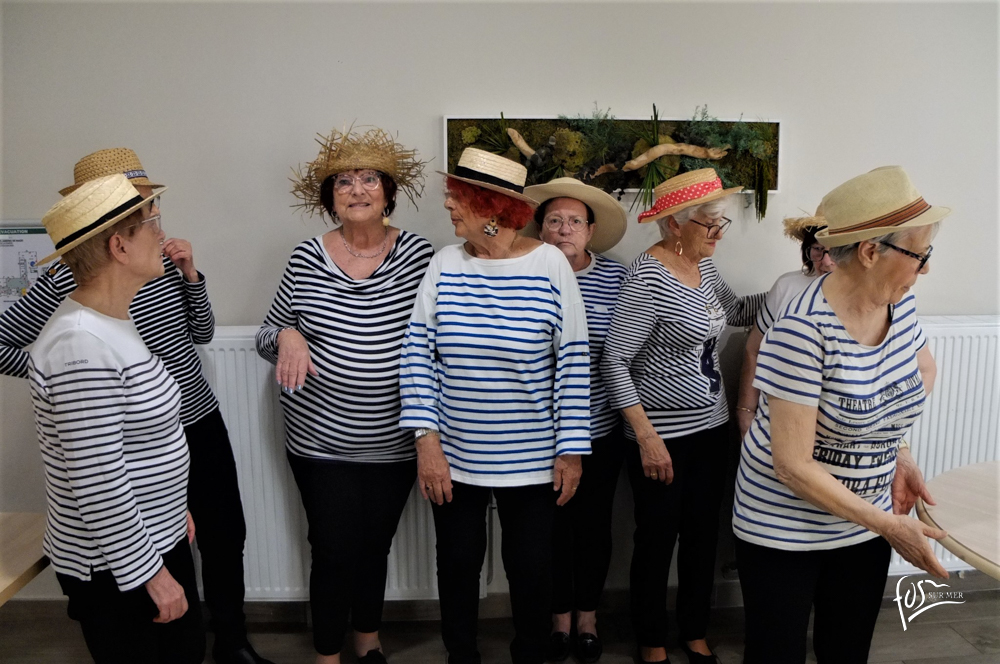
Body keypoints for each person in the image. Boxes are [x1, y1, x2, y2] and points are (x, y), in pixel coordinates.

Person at [0, 148, 269, 664]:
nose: (158, 224)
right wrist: (55, 379)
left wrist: (191, 276)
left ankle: (232, 641)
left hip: (176, 431)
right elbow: (99, 478)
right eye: (147, 214)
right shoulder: (78, 331)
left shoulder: (130, 299)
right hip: (120, 520)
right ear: (116, 240)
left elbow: (200, 333)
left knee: (222, 537)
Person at [732, 166, 949, 663]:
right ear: (871, 252)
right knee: (775, 654)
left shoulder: (900, 306)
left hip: (865, 521)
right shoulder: (802, 330)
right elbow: (791, 465)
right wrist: (889, 525)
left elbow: (915, 376)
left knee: (847, 650)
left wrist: (897, 451)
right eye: (920, 255)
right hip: (784, 528)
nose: (925, 269)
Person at [399, 149, 591, 664]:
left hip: (533, 457)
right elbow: (416, 354)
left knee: (531, 570)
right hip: (454, 454)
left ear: (491, 208)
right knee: (457, 565)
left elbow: (573, 361)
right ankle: (461, 654)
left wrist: (571, 450)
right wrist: (426, 442)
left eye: (457, 197)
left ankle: (530, 654)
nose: (447, 205)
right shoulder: (445, 263)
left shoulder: (549, 264)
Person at [256, 126, 433, 664]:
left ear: (389, 192)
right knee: (332, 548)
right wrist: (288, 335)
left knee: (374, 545)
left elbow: (438, 337)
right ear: (329, 198)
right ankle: (327, 654)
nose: (357, 190)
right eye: (344, 182)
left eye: (370, 180)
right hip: (320, 441)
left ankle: (368, 639)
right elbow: (267, 335)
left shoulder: (421, 256)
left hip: (394, 441)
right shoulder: (305, 257)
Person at [28, 174, 204, 663]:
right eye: (152, 224)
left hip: (151, 539)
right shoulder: (79, 346)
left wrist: (171, 507)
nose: (162, 235)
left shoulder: (112, 324)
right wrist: (152, 575)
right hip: (116, 567)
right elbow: (98, 480)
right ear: (119, 246)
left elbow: (138, 441)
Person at [601, 169, 764, 664]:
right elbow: (614, 360)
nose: (718, 233)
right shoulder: (647, 277)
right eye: (709, 223)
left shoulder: (704, 266)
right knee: (656, 541)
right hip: (662, 437)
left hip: (711, 429)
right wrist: (646, 437)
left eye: (720, 223)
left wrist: (796, 286)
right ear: (674, 223)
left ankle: (694, 630)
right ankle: (651, 639)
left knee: (702, 537)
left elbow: (738, 313)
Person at [522, 178, 628, 664]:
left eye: (574, 222)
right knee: (548, 531)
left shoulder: (617, 278)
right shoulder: (524, 270)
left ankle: (588, 616)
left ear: (590, 230)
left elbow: (626, 350)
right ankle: (558, 617)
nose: (564, 229)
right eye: (554, 221)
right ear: (540, 228)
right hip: (536, 433)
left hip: (599, 430)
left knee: (593, 528)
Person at [735, 212, 837, 438]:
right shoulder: (787, 286)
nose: (826, 261)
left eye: (835, 251)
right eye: (818, 250)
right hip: (777, 416)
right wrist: (745, 411)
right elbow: (754, 350)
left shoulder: (865, 297)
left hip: (833, 426)